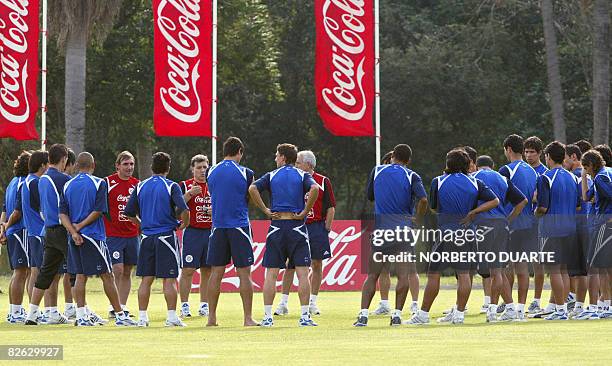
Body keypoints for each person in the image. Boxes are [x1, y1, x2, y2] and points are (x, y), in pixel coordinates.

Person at [406, 149, 499, 325]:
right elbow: (495, 201)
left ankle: (423, 315)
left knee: (433, 274)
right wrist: (473, 212)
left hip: (445, 233)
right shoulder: (475, 182)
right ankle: (459, 315)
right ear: (466, 164)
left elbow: (433, 207)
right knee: (464, 275)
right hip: (467, 233)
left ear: (448, 164)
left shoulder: (438, 181)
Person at [353, 144, 427, 327]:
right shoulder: (412, 175)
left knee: (372, 275)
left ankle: (363, 316)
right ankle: (396, 315)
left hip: (381, 231)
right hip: (402, 231)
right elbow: (424, 199)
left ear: (392, 155)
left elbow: (370, 196)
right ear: (408, 161)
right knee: (403, 275)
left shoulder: (377, 170)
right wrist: (417, 218)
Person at [60, 152, 136, 326]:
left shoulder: (67, 185)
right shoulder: (99, 183)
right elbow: (99, 211)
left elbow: (62, 214)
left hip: (74, 237)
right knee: (107, 275)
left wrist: (73, 231)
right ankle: (120, 315)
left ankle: (81, 316)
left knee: (80, 276)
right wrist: (79, 228)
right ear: (93, 166)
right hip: (93, 236)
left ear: (77, 166)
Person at [249, 143, 319, 327]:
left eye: (276, 155)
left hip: (277, 227)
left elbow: (252, 189)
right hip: (297, 227)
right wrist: (305, 211)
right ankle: (304, 317)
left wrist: (265, 209)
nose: (275, 158)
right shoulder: (302, 175)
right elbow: (315, 189)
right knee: (303, 273)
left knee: (271, 273)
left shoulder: (272, 175)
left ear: (282, 157)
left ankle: (267, 317)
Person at [124, 152, 190, 327]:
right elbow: (184, 209)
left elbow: (129, 212)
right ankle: (171, 317)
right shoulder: (171, 186)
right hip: (166, 237)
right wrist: (184, 225)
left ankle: (143, 318)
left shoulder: (140, 186)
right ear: (168, 168)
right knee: (169, 279)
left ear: (152, 167)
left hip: (146, 237)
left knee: (146, 279)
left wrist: (142, 224)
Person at [275, 150, 336, 316]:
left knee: (317, 264)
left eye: (298, 162)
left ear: (308, 164)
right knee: (290, 265)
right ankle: (283, 303)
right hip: (297, 225)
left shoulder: (323, 181)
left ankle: (312, 303)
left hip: (316, 226)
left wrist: (327, 227)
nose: (296, 165)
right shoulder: (294, 179)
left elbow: (330, 206)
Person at [206, 137, 258, 327]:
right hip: (239, 226)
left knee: (216, 273)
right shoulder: (246, 173)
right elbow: (251, 198)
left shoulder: (211, 171)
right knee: (244, 274)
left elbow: (214, 195)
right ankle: (247, 318)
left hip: (218, 227)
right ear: (240, 152)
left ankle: (211, 318)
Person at [472, 155, 527, 322]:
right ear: (492, 165)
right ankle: (508, 308)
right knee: (498, 271)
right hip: (501, 227)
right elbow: (522, 201)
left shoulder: (473, 178)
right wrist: (507, 220)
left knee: (489, 272)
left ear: (476, 166)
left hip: (483, 227)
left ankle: (492, 310)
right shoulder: (502, 178)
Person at [23, 144, 71, 325]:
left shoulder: (41, 179)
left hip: (48, 231)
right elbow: (68, 206)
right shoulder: (63, 179)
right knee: (76, 271)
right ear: (64, 159)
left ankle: (32, 314)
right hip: (61, 229)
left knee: (45, 273)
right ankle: (82, 313)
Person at [535, 141, 580, 320]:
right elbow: (577, 206)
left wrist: (535, 214)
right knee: (563, 270)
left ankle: (560, 310)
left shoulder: (545, 177)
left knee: (553, 270)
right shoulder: (572, 177)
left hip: (551, 230)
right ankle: (562, 309)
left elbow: (543, 208)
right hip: (570, 229)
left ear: (548, 157)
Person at [499, 134, 538, 318]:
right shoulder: (533, 171)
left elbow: (499, 198)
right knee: (523, 269)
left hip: (512, 224)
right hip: (529, 224)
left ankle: (510, 308)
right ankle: (521, 310)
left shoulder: (506, 170)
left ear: (508, 149)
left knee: (504, 269)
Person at [104, 151, 140, 318]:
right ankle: (114, 307)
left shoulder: (137, 185)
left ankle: (123, 307)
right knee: (116, 269)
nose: (129, 167)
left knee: (127, 271)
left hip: (132, 234)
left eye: (131, 164)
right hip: (113, 234)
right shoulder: (108, 183)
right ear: (117, 166)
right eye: (125, 164)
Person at [579, 149, 612, 319]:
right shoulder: (606, 173)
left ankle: (607, 306)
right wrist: (584, 177)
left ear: (592, 164)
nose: (585, 169)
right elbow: (586, 197)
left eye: (586, 167)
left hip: (604, 225)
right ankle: (606, 304)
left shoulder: (600, 178)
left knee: (602, 267)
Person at [179, 154, 212, 318]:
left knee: (208, 270)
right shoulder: (185, 186)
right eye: (199, 167)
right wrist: (189, 195)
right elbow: (175, 206)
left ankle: (204, 304)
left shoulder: (213, 185)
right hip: (193, 232)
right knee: (188, 269)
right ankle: (184, 305)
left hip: (211, 232)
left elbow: (223, 205)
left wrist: (215, 210)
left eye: (205, 167)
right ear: (192, 169)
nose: (202, 171)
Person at [1, 151, 31, 323]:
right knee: (22, 272)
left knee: (19, 273)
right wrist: (6, 227)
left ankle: (14, 311)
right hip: (20, 231)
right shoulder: (24, 184)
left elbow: (4, 210)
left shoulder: (12, 182)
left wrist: (3, 228)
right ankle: (17, 312)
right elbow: (16, 212)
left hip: (12, 231)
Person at [563, 144, 591, 318]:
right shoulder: (585, 175)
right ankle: (579, 303)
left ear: (574, 157)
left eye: (565, 157)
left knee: (581, 271)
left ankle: (580, 304)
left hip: (579, 227)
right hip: (586, 227)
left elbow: (579, 204)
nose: (563, 161)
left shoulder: (576, 176)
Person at [523, 136, 547, 314]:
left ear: (539, 153)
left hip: (538, 223)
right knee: (515, 263)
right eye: (526, 151)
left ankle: (537, 300)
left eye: (532, 152)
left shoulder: (544, 172)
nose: (528, 155)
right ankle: (512, 303)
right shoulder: (521, 170)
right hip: (521, 223)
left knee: (537, 263)